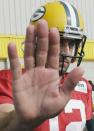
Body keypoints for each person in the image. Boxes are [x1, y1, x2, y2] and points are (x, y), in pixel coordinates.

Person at [0, 0, 92, 131]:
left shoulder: (81, 85)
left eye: (71, 44)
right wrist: (18, 120)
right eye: (59, 41)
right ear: (37, 42)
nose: (66, 51)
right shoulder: (10, 80)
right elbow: (3, 121)